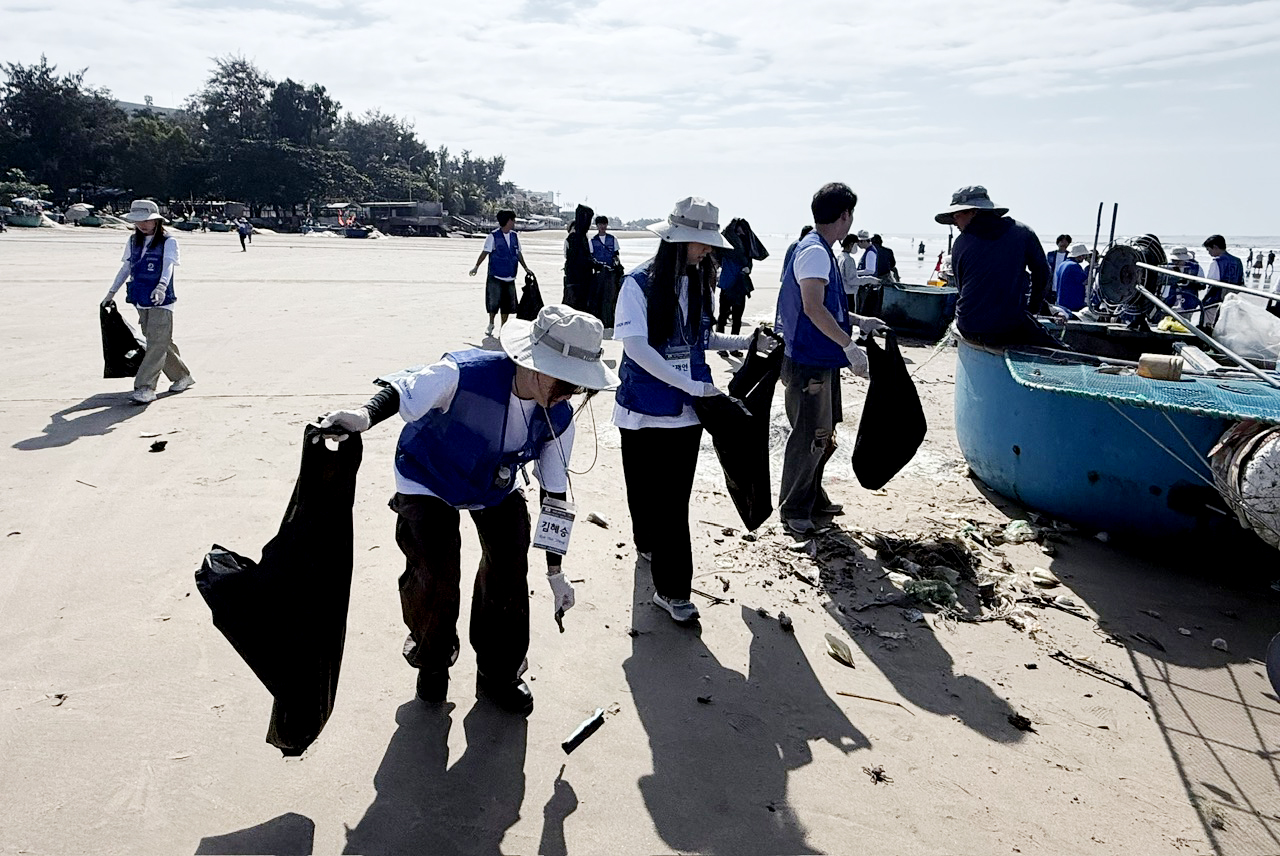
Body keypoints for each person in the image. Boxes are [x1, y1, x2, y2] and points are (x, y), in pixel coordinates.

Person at [319, 304, 617, 714]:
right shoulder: (464, 373)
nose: (570, 393)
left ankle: (499, 672)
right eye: (565, 381)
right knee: (437, 572)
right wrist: (364, 416)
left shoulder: (559, 417)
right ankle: (432, 659)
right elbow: (406, 388)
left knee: (509, 566)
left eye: (580, 386)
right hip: (428, 476)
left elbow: (555, 496)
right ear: (532, 364)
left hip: (492, 483)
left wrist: (556, 570)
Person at [614, 197, 757, 625]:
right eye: (700, 243)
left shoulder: (699, 283)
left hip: (688, 415)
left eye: (708, 244)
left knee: (674, 503)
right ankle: (647, 544)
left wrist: (746, 343)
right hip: (642, 411)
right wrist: (691, 384)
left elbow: (701, 340)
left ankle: (673, 590)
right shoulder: (636, 285)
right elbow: (636, 348)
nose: (707, 251)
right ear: (676, 240)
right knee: (643, 494)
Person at [776, 183, 886, 537]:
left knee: (826, 433)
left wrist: (857, 321)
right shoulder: (815, 252)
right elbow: (811, 306)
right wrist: (849, 346)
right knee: (810, 435)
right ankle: (794, 507)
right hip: (809, 360)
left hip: (821, 357)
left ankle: (813, 497)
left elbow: (829, 307)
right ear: (845, 215)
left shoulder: (818, 250)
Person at [938, 185, 1058, 348]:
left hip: (968, 324)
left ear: (973, 212)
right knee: (1061, 351)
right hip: (1009, 326)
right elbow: (1043, 273)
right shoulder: (1022, 232)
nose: (955, 223)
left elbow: (962, 288)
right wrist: (1033, 308)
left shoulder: (960, 243)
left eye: (956, 217)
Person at [99, 199, 195, 405]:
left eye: (145, 220)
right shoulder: (133, 241)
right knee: (158, 341)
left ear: (156, 221)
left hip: (162, 300)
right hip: (140, 297)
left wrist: (161, 287)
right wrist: (111, 292)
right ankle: (182, 376)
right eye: (137, 221)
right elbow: (126, 268)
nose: (141, 225)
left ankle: (145, 387)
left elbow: (168, 267)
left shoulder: (169, 241)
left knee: (156, 343)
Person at [469, 210, 534, 337]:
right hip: (496, 275)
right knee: (493, 301)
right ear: (507, 221)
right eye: (513, 220)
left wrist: (525, 268)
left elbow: (518, 253)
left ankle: (503, 327)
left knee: (507, 304)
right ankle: (491, 323)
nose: (514, 222)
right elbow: (485, 252)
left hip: (510, 275)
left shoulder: (515, 236)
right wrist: (476, 267)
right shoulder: (493, 236)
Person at [715, 217, 764, 339]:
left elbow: (750, 260)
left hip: (738, 284)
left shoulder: (745, 243)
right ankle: (722, 346)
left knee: (735, 317)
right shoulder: (727, 243)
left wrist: (748, 268)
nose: (743, 232)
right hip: (729, 284)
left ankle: (732, 345)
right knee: (724, 316)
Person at [1200, 234, 1244, 330]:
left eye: (1209, 250)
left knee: (1209, 326)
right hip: (1231, 300)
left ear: (1215, 247)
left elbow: (1211, 282)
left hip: (1215, 299)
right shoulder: (1238, 261)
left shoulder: (1216, 262)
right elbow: (1241, 282)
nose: (1209, 253)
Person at [589, 214, 621, 331]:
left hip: (611, 273)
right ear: (596, 225)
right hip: (598, 274)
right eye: (600, 224)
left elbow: (616, 255)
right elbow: (591, 258)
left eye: (604, 224)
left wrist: (616, 266)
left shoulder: (613, 239)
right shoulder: (592, 241)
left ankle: (610, 321)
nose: (602, 226)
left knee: (611, 297)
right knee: (599, 297)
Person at [562, 204, 596, 313]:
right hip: (577, 279)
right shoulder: (575, 238)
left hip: (580, 278)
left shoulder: (581, 236)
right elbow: (578, 259)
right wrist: (593, 263)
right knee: (576, 307)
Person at [1052, 243, 1090, 311]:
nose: (1084, 258)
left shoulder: (1062, 264)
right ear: (1080, 256)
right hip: (1072, 303)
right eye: (1084, 256)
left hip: (1061, 302)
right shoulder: (1074, 266)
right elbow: (1085, 281)